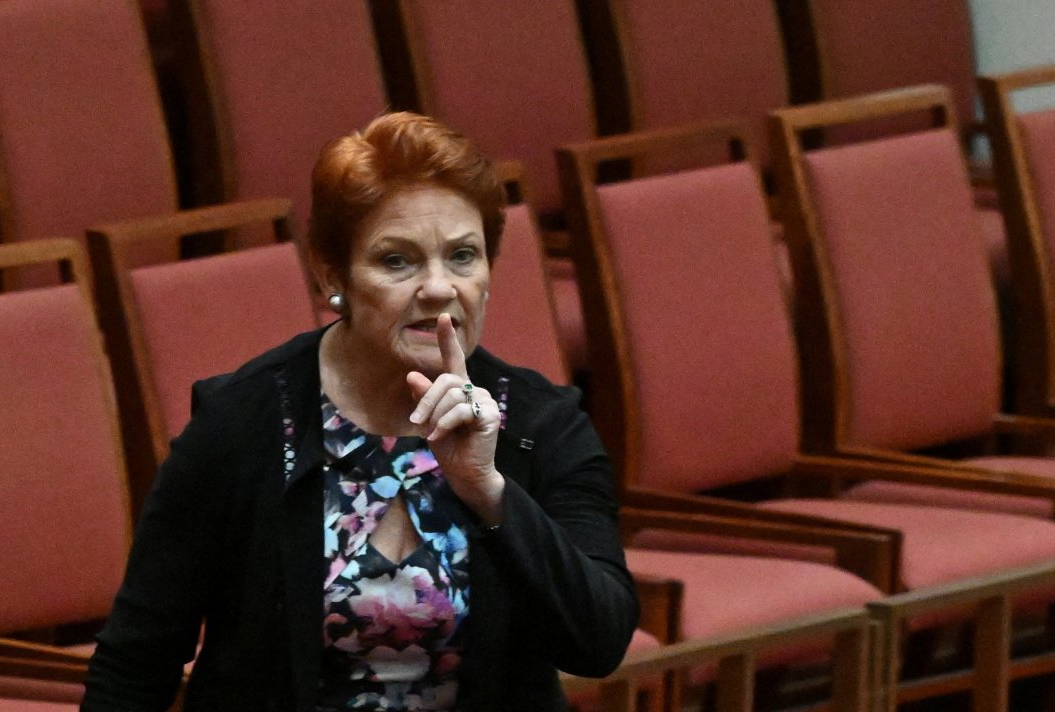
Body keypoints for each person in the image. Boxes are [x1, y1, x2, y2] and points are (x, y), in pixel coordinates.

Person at [81, 112, 638, 712]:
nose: (438, 287)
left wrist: (488, 491)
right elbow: (136, 661)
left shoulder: (539, 425)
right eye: (397, 261)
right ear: (332, 275)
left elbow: (598, 643)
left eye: (462, 256)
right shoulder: (242, 425)